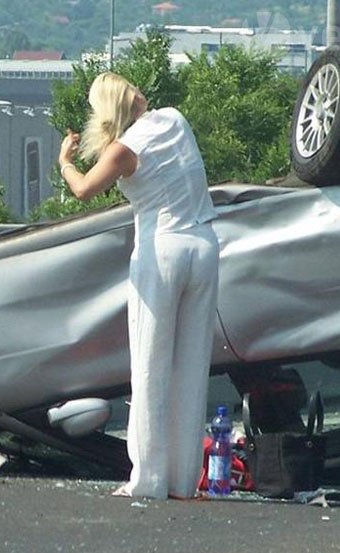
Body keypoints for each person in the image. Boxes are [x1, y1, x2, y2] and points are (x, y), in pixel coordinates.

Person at [58, 72, 219, 500]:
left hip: (160, 249)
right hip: (204, 244)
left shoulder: (121, 152)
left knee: (150, 365)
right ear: (130, 97)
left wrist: (65, 162)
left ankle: (147, 478)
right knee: (191, 366)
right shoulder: (173, 119)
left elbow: (83, 191)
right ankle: (184, 478)